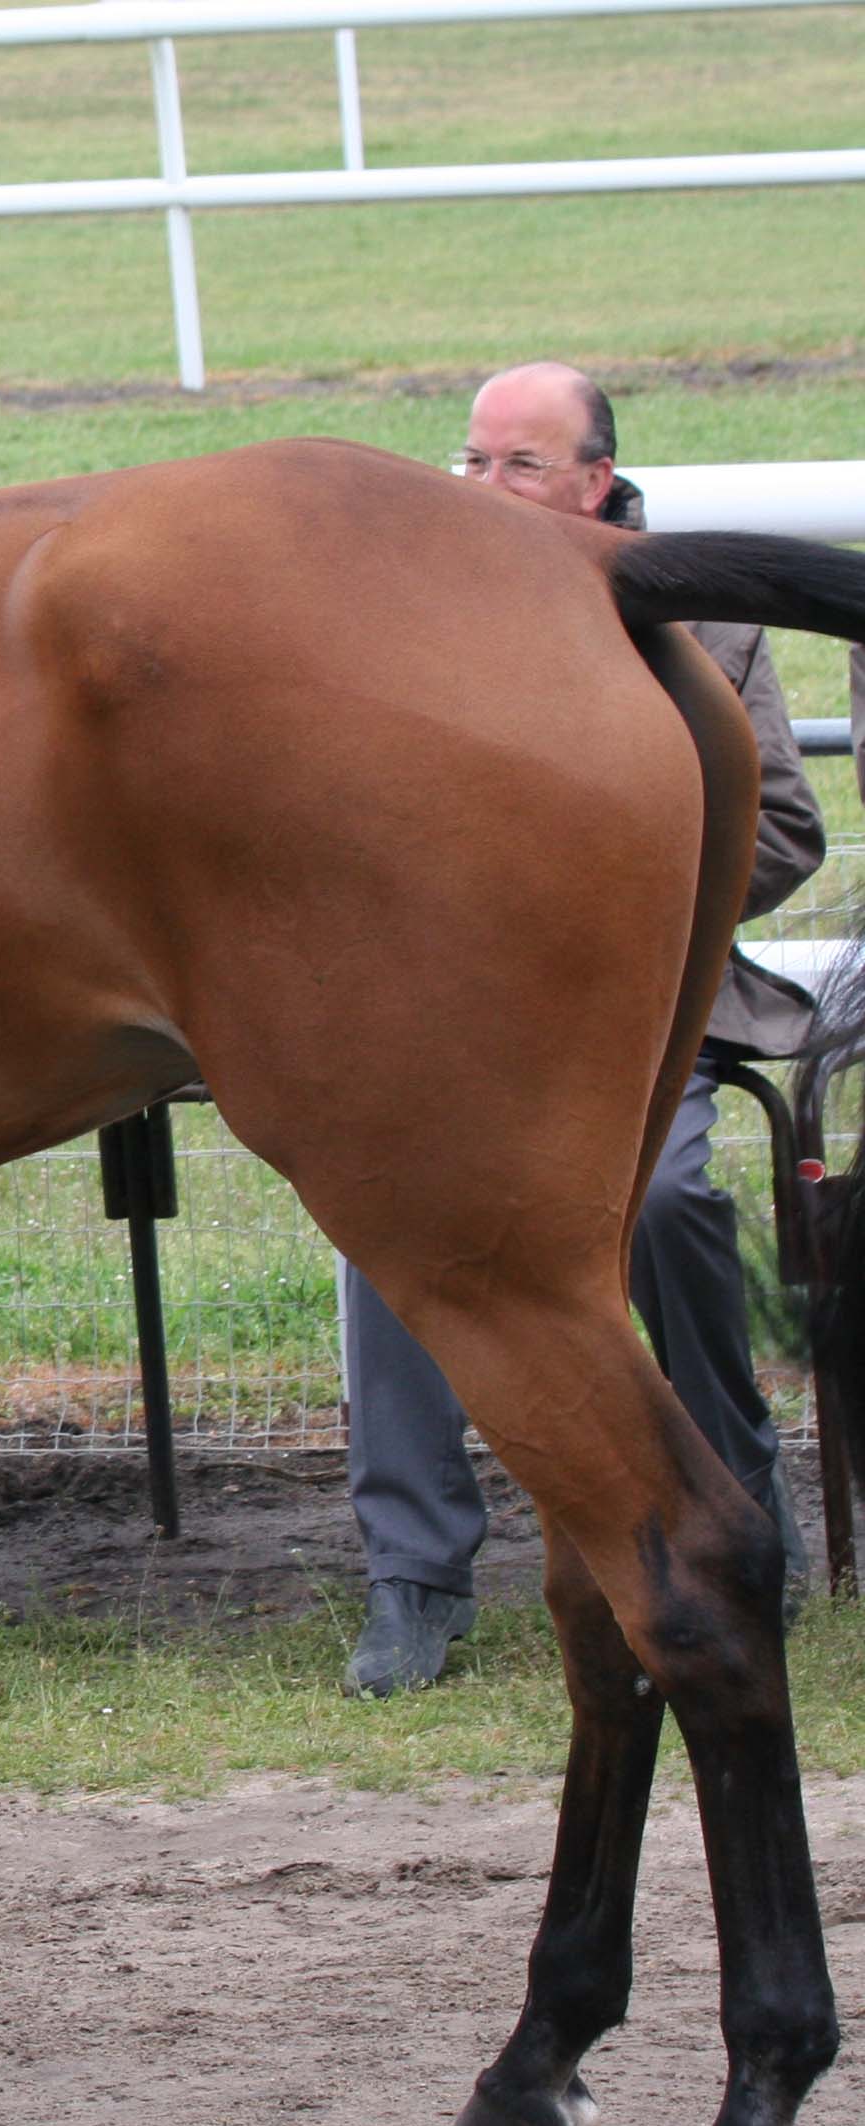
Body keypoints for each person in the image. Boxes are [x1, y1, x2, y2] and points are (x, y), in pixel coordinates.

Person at [339, 362, 824, 1697]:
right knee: (384, 1220)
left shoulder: (699, 616)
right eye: (474, 461)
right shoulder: (415, 610)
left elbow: (782, 824)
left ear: (595, 481)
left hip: (642, 1004)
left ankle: (734, 1500)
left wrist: (591, 895)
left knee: (665, 1199)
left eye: (520, 466)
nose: (486, 488)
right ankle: (414, 1572)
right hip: (458, 1023)